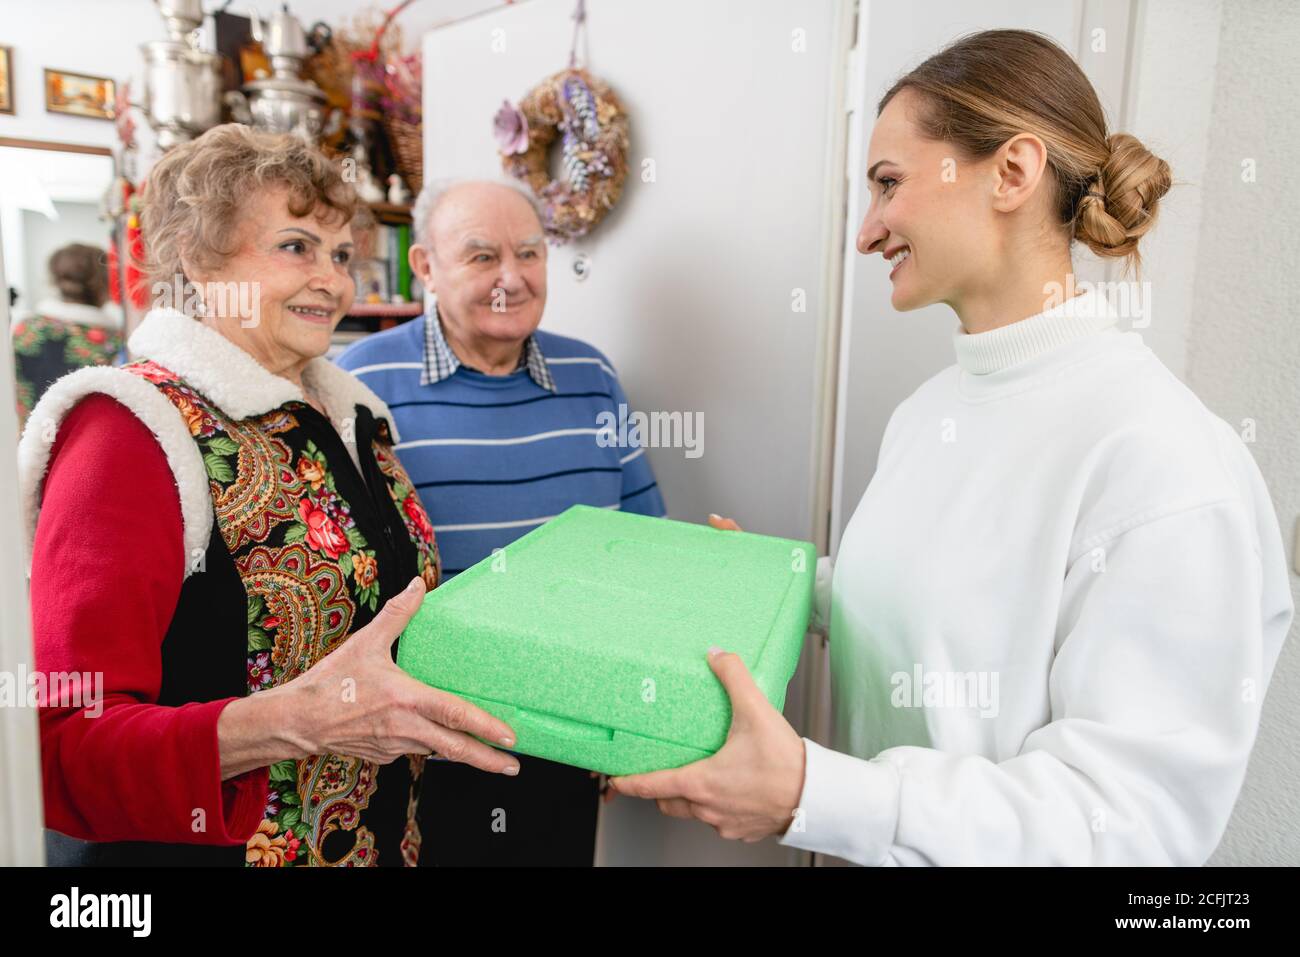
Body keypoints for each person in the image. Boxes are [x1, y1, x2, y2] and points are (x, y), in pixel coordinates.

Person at [610, 29, 1294, 866]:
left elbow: (1128, 826)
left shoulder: (1164, 462)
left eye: (888, 184)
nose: (867, 233)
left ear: (1013, 171)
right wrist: (791, 583)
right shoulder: (930, 412)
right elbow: (951, 616)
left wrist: (809, 794)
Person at [19, 124, 518, 867]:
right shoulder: (129, 430)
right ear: (197, 259)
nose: (333, 279)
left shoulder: (352, 421)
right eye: (296, 246)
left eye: (341, 253)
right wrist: (291, 722)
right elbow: (56, 748)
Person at [335, 178, 666, 866]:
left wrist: (616, 719)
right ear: (424, 266)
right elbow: (340, 576)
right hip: (420, 741)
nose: (511, 279)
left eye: (529, 253)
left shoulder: (591, 375)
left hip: (566, 725)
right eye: (482, 256)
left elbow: (643, 545)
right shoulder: (357, 380)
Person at [11, 243, 122, 430]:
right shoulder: (113, 341)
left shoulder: (24, 329)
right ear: (105, 282)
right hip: (83, 447)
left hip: (26, 444)